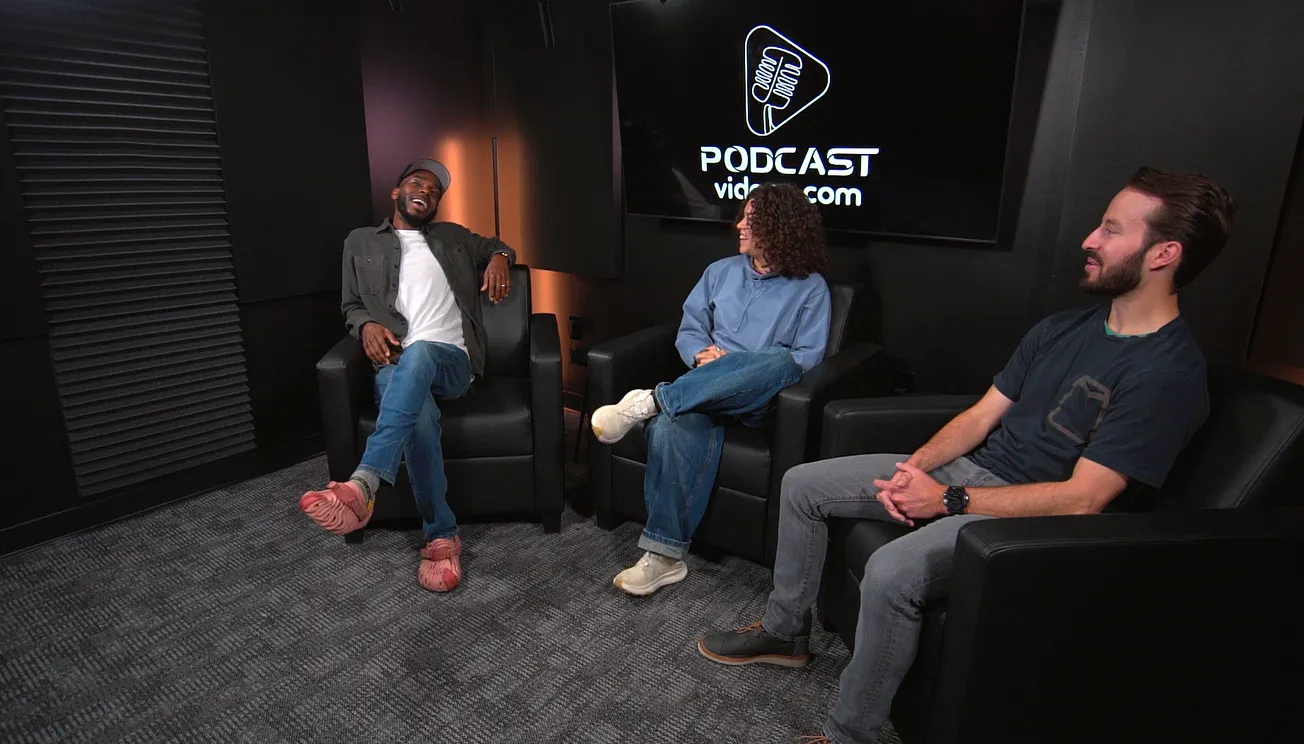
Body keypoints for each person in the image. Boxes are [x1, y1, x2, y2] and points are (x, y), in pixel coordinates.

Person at [697, 167, 1236, 743]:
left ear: (1164, 254)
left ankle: (852, 734)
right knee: (804, 484)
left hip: (1030, 516)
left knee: (891, 570)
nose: (1089, 240)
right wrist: (918, 469)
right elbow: (982, 415)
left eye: (1110, 230)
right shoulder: (1064, 328)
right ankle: (786, 633)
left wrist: (948, 498)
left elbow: (1085, 499)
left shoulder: (1167, 373)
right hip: (973, 475)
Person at [591, 182, 833, 596]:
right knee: (669, 429)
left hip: (759, 399)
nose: (738, 225)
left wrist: (740, 366)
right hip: (705, 388)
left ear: (779, 229)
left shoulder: (811, 288)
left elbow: (807, 360)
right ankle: (664, 557)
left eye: (750, 221)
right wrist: (702, 354)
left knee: (779, 359)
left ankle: (650, 401)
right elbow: (690, 328)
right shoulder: (719, 272)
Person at [299, 159, 517, 593]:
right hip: (394, 361)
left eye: (435, 190)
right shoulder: (360, 241)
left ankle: (364, 484)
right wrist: (365, 326)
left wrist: (499, 258)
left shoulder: (453, 237)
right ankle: (441, 535)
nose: (427, 192)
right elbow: (351, 305)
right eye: (418, 183)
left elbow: (498, 243)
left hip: (453, 362)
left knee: (421, 352)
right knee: (417, 417)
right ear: (396, 191)